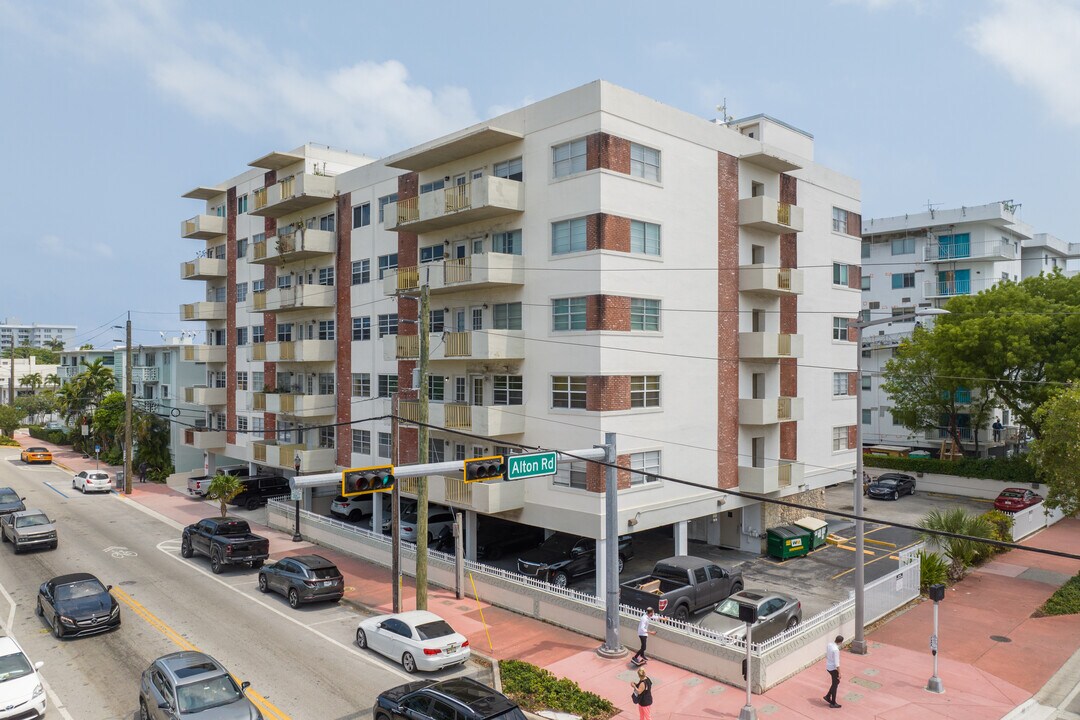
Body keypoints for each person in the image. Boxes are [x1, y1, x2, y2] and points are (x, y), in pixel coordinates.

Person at [824, 634, 843, 708]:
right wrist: (840, 673)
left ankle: (828, 696)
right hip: (833, 668)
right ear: (840, 642)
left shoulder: (829, 644)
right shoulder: (836, 650)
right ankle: (833, 702)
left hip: (828, 666)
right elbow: (836, 663)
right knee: (835, 684)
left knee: (836, 682)